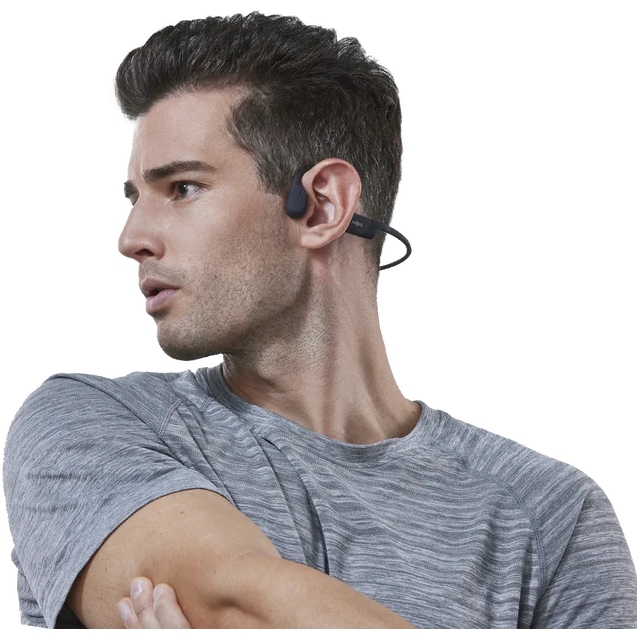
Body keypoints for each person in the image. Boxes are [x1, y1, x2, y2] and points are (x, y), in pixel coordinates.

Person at [3, 11, 637, 629]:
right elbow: (230, 603)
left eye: (183, 188)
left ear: (322, 206)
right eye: (135, 197)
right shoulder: (88, 427)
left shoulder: (551, 516)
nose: (131, 238)